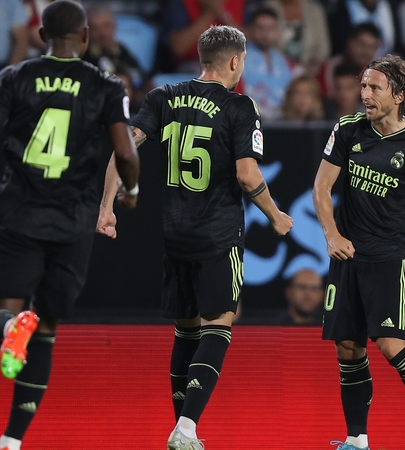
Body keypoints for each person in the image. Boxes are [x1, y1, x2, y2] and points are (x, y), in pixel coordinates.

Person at [0, 2, 141, 450]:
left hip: (21, 214)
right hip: (73, 222)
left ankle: (13, 329)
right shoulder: (105, 84)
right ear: (86, 39)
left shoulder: (13, 78)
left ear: (40, 36)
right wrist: (130, 192)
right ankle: (12, 440)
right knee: (47, 329)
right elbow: (127, 152)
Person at [98, 25, 293, 450]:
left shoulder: (163, 97)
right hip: (217, 233)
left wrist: (106, 206)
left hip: (174, 232)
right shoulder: (240, 106)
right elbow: (246, 174)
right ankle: (186, 429)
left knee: (186, 332)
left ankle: (182, 429)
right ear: (236, 61)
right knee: (218, 326)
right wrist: (276, 215)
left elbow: (125, 148)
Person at [312, 54, 405, 450]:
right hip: (346, 257)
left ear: (399, 94)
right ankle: (356, 440)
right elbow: (321, 188)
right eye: (363, 86)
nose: (365, 94)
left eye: (375, 87)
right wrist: (331, 234)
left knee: (392, 344)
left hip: (388, 256)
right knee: (348, 347)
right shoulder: (347, 129)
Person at [240, 7, 295, 121]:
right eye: (260, 28)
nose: (265, 34)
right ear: (251, 29)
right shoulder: (239, 58)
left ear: (278, 31)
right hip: (249, 121)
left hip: (282, 122)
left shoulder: (284, 63)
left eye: (271, 28)